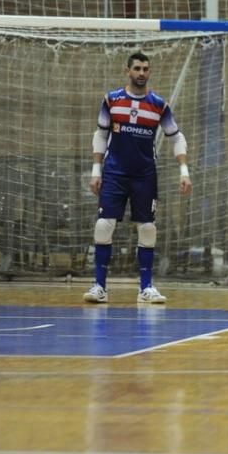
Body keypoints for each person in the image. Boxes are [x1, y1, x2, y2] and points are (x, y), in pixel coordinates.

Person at [83, 52, 192, 304]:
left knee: (147, 228)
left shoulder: (158, 105)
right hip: (114, 172)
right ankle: (99, 287)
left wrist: (184, 171)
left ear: (149, 72)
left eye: (145, 69)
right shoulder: (112, 100)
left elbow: (176, 137)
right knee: (103, 225)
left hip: (145, 175)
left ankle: (146, 288)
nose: (142, 73)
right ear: (128, 71)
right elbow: (100, 135)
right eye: (137, 68)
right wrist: (96, 171)